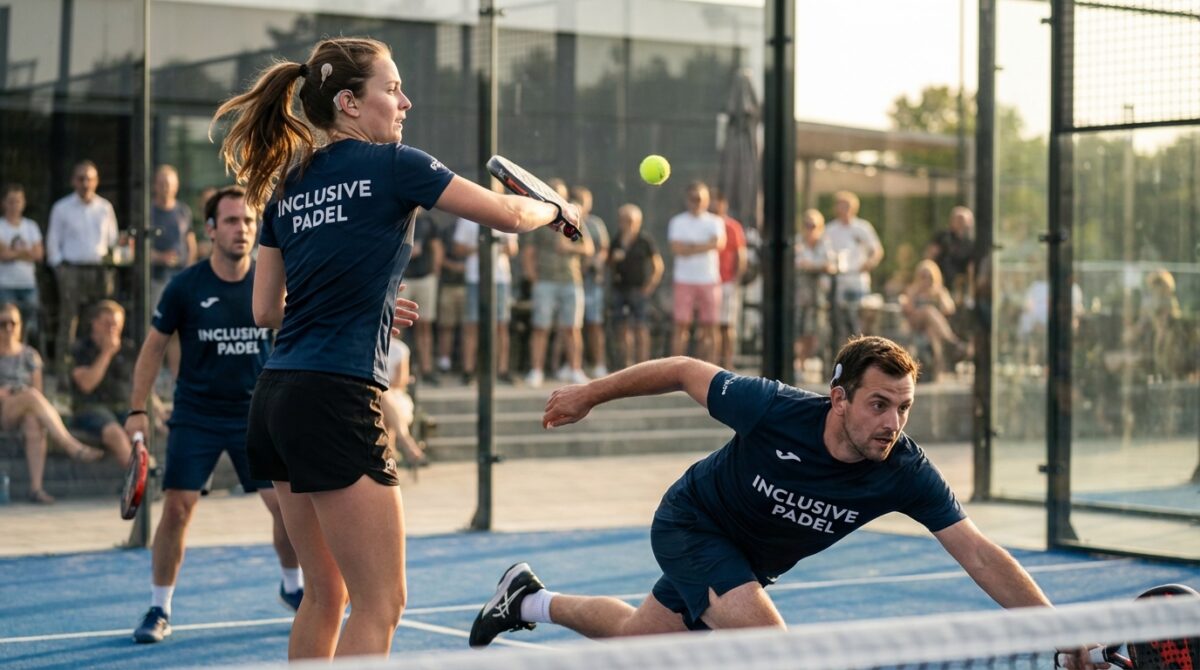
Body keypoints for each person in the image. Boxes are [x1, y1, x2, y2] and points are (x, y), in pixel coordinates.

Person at [212, 36, 577, 660]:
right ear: (350, 103)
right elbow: (508, 217)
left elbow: (266, 310)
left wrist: (360, 301)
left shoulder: (285, 187)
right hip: (336, 397)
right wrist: (552, 208)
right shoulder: (397, 164)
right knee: (382, 603)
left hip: (275, 400)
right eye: (392, 88)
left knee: (323, 596)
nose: (404, 101)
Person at [468, 335, 1099, 670]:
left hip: (750, 561)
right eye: (879, 404)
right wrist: (590, 394)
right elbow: (687, 369)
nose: (892, 422)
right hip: (692, 524)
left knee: (638, 638)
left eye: (904, 408)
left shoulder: (904, 470)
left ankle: (527, 598)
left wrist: (1058, 630)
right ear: (839, 398)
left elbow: (980, 554)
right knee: (776, 651)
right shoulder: (774, 409)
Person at [125, 186, 303, 644]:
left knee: (285, 510)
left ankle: (292, 587)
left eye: (247, 221)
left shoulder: (272, 280)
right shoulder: (186, 286)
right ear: (209, 230)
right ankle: (158, 608)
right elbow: (152, 349)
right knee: (179, 509)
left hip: (257, 412)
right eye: (230, 221)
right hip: (197, 414)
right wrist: (137, 410)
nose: (241, 229)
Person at [0, 302, 103, 504]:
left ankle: (36, 488)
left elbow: (38, 393)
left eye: (13, 323)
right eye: (3, 324)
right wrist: (11, 392)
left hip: (23, 408)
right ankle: (71, 445)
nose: (9, 328)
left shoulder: (30, 355)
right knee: (29, 397)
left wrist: (21, 394)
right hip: (3, 408)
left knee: (33, 419)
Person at [47, 160, 122, 375]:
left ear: (96, 181)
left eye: (89, 178)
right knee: (69, 319)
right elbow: (52, 243)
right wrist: (60, 268)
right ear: (73, 181)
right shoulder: (61, 208)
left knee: (100, 320)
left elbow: (113, 242)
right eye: (81, 178)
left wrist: (112, 264)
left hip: (98, 270)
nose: (85, 183)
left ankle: (97, 367)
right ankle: (64, 369)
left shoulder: (105, 208)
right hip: (71, 269)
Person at [523, 193, 593, 388]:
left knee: (572, 329)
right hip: (545, 282)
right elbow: (529, 253)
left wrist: (569, 249)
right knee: (540, 328)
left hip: (571, 281)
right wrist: (534, 279)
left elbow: (588, 248)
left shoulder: (572, 218)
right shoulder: (538, 219)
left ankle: (575, 370)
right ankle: (536, 371)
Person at [69, 300, 135, 467]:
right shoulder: (81, 349)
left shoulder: (128, 348)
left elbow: (138, 382)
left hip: (122, 406)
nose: (113, 329)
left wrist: (156, 410)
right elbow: (86, 384)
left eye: (117, 325)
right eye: (108, 324)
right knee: (116, 433)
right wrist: (106, 353)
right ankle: (141, 484)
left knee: (142, 428)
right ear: (95, 323)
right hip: (91, 408)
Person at [454, 216, 519, 385]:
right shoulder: (467, 217)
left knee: (501, 325)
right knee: (471, 325)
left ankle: (502, 370)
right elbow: (458, 248)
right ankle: (468, 370)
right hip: (475, 278)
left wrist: (504, 246)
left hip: (500, 279)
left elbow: (513, 249)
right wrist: (480, 247)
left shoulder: (505, 215)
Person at [668, 181, 725, 362]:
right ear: (687, 200)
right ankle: (675, 368)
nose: (697, 202)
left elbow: (718, 244)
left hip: (709, 279)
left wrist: (690, 246)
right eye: (693, 198)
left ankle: (712, 370)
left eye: (700, 198)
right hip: (684, 280)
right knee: (681, 325)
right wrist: (705, 245)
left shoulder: (715, 221)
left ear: (707, 200)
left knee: (710, 326)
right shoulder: (677, 221)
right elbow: (677, 248)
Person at [608, 204, 663, 369]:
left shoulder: (645, 241)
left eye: (630, 220)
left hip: (638, 290)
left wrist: (649, 286)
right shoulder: (616, 240)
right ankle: (627, 365)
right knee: (622, 328)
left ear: (638, 222)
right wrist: (613, 259)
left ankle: (644, 365)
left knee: (641, 327)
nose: (627, 224)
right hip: (620, 289)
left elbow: (657, 265)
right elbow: (608, 263)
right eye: (623, 220)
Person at [823, 191, 882, 342]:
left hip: (857, 281)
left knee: (858, 319)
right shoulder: (830, 230)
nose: (843, 209)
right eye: (840, 205)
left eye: (847, 205)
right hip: (838, 283)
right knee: (839, 320)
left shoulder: (862, 228)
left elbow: (876, 251)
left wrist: (868, 263)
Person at [899, 259, 968, 380]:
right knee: (928, 311)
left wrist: (939, 294)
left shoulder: (939, 291)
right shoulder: (914, 290)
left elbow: (949, 309)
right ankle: (952, 341)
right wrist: (917, 293)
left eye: (929, 276)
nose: (926, 280)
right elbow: (907, 309)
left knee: (931, 331)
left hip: (931, 328)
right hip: (916, 322)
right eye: (923, 276)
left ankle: (936, 369)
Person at [0, 185, 45, 344]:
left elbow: (39, 254)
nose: (14, 205)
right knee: (6, 325)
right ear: (3, 203)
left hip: (28, 285)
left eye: (18, 201)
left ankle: (25, 356)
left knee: (30, 326)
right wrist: (26, 252)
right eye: (10, 201)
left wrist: (11, 251)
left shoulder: (31, 226)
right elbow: (2, 255)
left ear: (23, 203)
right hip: (5, 285)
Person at [793, 209, 834, 380]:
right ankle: (798, 364)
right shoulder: (797, 242)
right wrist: (815, 266)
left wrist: (811, 266)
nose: (810, 228)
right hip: (800, 295)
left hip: (819, 296)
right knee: (798, 330)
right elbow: (797, 263)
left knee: (815, 331)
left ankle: (806, 361)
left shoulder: (825, 243)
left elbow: (829, 265)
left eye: (813, 225)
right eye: (807, 225)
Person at [573, 186, 609, 379]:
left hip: (592, 283)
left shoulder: (596, 224)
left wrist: (594, 262)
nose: (580, 203)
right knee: (572, 326)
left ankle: (599, 364)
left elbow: (603, 249)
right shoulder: (567, 222)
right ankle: (568, 365)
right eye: (576, 198)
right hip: (572, 280)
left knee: (595, 324)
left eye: (583, 199)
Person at [149, 165, 198, 308]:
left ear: (176, 187)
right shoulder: (147, 212)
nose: (166, 188)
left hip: (181, 277)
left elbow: (191, 243)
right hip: (156, 278)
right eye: (162, 184)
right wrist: (160, 257)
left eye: (169, 184)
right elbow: (137, 246)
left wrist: (189, 271)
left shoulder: (183, 211)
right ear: (155, 186)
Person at [403, 210, 442, 383]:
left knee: (424, 326)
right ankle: (399, 367)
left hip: (424, 277)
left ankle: (426, 368)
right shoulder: (399, 216)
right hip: (403, 278)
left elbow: (436, 247)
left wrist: (434, 272)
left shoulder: (428, 222)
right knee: (397, 326)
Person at [711, 190, 747, 370]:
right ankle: (714, 364)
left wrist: (735, 280)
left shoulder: (733, 226)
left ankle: (728, 363)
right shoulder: (706, 223)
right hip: (709, 282)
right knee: (712, 326)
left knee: (727, 326)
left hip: (727, 283)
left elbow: (741, 255)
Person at [381, 335, 426, 468]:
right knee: (382, 398)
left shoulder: (400, 349)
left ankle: (388, 453)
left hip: (396, 396)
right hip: (375, 397)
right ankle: (407, 445)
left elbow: (400, 381)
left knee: (383, 396)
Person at [435, 216, 468, 381]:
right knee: (446, 325)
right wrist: (456, 267)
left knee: (467, 328)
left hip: (468, 285)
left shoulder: (477, 226)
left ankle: (464, 363)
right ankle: (444, 360)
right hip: (449, 283)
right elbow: (440, 256)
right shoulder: (447, 230)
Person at [924, 206, 976, 306]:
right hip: (938, 280)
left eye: (963, 220)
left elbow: (970, 269)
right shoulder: (942, 237)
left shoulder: (969, 244)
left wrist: (970, 291)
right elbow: (930, 256)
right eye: (958, 219)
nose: (960, 222)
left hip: (957, 285)